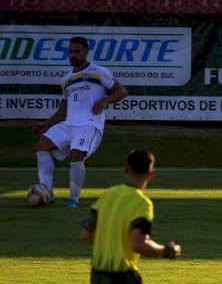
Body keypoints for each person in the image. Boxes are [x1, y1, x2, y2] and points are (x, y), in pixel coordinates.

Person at [32, 36, 128, 208]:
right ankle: (47, 191)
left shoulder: (99, 71)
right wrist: (47, 123)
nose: (73, 55)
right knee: (42, 145)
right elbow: (66, 105)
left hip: (90, 124)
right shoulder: (67, 79)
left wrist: (105, 101)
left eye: (77, 51)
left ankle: (73, 200)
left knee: (77, 154)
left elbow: (121, 91)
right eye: (70, 51)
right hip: (69, 123)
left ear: (85, 52)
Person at [80, 149, 182, 284]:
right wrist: (167, 250)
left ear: (126, 170)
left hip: (97, 276)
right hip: (122, 278)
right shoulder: (142, 203)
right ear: (151, 174)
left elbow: (86, 235)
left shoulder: (107, 195)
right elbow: (138, 244)